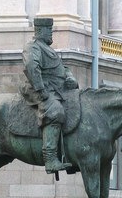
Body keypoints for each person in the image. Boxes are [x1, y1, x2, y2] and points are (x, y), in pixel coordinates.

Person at [20, 17, 79, 174]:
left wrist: (71, 78)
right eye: (49, 30)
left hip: (58, 89)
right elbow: (31, 66)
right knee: (55, 112)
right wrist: (41, 90)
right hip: (38, 89)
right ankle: (50, 159)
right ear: (40, 31)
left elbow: (63, 68)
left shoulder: (49, 49)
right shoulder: (33, 47)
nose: (51, 33)